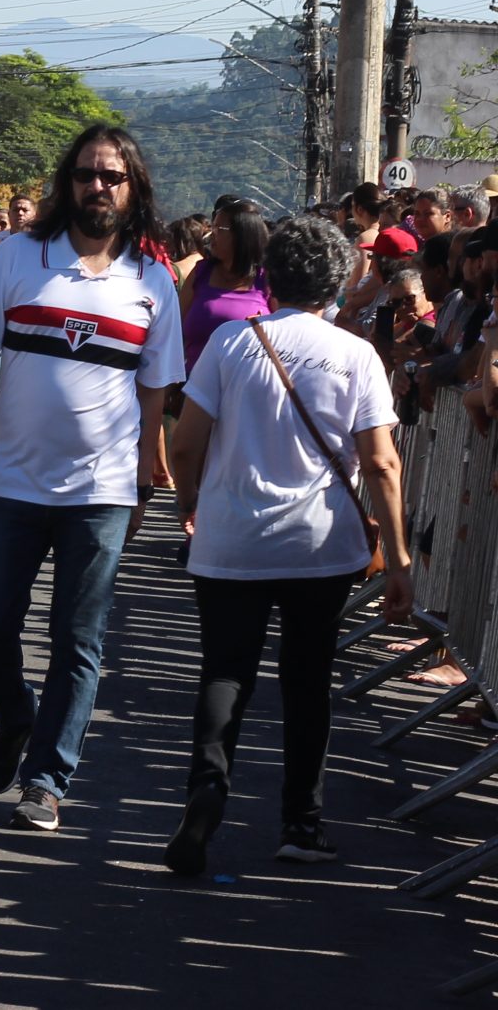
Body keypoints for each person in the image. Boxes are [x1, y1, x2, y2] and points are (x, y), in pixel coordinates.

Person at [0, 124, 184, 834]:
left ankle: (45, 780)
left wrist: (145, 479)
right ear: (65, 181)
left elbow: (155, 393)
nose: (96, 186)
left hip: (100, 495)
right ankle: (14, 713)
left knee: (78, 639)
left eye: (112, 177)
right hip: (14, 484)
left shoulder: (152, 281)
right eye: (85, 174)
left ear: (132, 189)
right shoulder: (19, 256)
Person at [162, 211, 414, 875]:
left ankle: (206, 794)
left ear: (271, 274)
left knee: (225, 671)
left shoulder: (229, 344)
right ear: (339, 279)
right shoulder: (356, 354)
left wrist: (192, 502)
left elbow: (185, 441)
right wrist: (400, 556)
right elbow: (382, 464)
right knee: (307, 682)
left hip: (231, 537)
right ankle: (301, 822)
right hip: (319, 546)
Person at [182, 200, 269, 375]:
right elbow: (174, 330)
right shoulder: (201, 272)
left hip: (247, 391)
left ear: (243, 235)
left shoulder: (266, 279)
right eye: (211, 228)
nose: (210, 235)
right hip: (193, 386)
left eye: (219, 229)